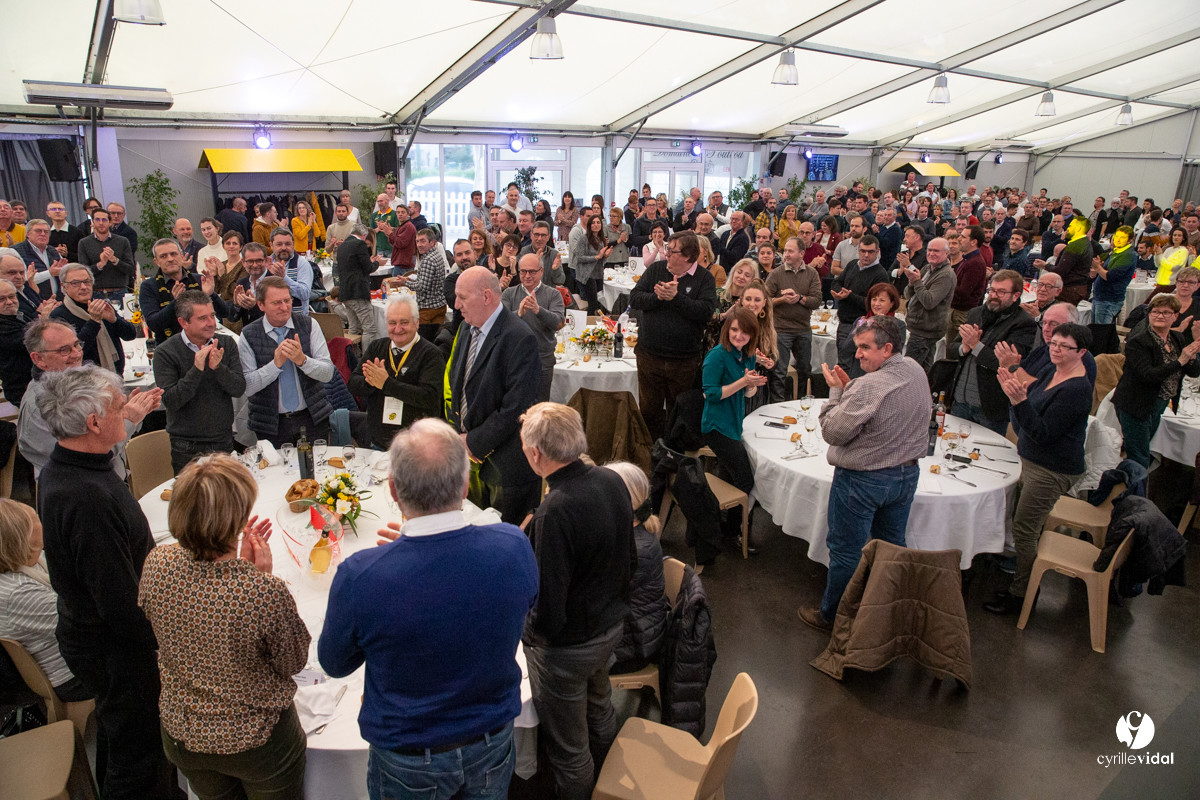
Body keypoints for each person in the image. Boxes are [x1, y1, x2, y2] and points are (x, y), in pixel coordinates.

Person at [319, 418, 538, 800]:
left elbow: (334, 664)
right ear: (465, 486)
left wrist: (397, 563)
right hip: (491, 739)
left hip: (409, 755)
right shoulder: (512, 546)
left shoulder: (361, 575)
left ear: (393, 490)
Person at [37, 365, 174, 798]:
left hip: (98, 638)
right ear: (94, 423)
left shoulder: (71, 466)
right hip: (115, 650)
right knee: (139, 756)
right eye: (119, 406)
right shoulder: (85, 496)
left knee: (120, 737)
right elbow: (118, 603)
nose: (127, 410)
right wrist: (170, 639)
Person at [139, 456, 309, 799]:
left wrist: (241, 572)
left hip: (184, 735)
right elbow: (292, 662)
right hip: (256, 743)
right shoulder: (260, 591)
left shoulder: (158, 563)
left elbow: (175, 624)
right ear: (235, 520)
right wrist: (256, 578)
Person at [520, 402, 633, 800]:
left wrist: (525, 634)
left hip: (570, 650)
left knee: (569, 752)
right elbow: (629, 559)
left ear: (537, 454)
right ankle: (608, 777)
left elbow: (549, 610)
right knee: (599, 707)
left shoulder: (555, 510)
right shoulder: (611, 479)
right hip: (610, 626)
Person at [796, 316, 930, 632]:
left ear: (887, 348)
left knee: (846, 553)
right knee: (890, 548)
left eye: (865, 348)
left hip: (863, 482)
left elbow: (832, 432)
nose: (857, 355)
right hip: (906, 477)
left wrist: (836, 393)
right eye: (857, 347)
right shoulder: (915, 370)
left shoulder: (868, 386)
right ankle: (884, 613)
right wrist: (851, 390)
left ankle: (832, 618)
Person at [983, 323, 1096, 616]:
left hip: (1051, 469)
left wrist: (1018, 401)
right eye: (1053, 344)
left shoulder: (1077, 389)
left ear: (1081, 352)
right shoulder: (1052, 371)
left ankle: (1022, 595)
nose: (1055, 350)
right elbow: (1027, 415)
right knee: (1016, 520)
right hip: (1033, 458)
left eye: (1064, 346)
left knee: (1025, 530)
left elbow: (1042, 432)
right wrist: (1018, 400)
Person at [447, 267, 542, 524]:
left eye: (462, 297)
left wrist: (473, 442)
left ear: (486, 296)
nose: (456, 305)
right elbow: (458, 384)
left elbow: (517, 408)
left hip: (506, 469)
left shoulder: (520, 337)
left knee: (503, 538)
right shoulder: (466, 328)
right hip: (471, 459)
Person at [0, 499, 92, 702]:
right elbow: (82, 624)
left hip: (75, 651)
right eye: (35, 523)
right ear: (17, 542)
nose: (43, 524)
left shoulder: (23, 562)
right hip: (72, 673)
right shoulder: (17, 593)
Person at [628, 231, 717, 439]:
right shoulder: (656, 269)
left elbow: (705, 313)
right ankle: (650, 452)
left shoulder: (705, 279)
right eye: (667, 248)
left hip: (683, 362)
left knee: (679, 413)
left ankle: (673, 454)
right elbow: (635, 298)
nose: (666, 253)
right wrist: (658, 297)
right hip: (649, 356)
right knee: (649, 412)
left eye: (671, 250)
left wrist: (676, 298)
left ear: (688, 256)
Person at [152, 290, 246, 473]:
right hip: (186, 446)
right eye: (202, 318)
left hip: (222, 440)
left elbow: (238, 388)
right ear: (183, 323)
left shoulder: (226, 344)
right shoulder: (165, 352)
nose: (211, 323)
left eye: (212, 315)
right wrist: (196, 369)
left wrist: (218, 368)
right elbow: (171, 400)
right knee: (191, 493)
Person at [701, 307, 768, 563]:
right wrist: (743, 382)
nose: (739, 335)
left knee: (731, 477)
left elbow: (747, 394)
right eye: (734, 330)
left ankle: (726, 528)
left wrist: (751, 385)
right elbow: (711, 394)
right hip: (717, 427)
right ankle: (734, 531)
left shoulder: (747, 355)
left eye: (745, 332)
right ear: (727, 330)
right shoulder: (717, 356)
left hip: (734, 423)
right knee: (746, 480)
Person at [237, 276, 335, 446]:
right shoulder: (248, 335)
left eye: (287, 300)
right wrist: (274, 365)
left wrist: (303, 361)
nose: (284, 307)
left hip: (311, 418)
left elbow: (327, 373)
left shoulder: (309, 325)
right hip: (270, 424)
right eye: (276, 303)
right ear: (261, 305)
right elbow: (248, 386)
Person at [1112, 294, 1200, 468]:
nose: (1160, 316)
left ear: (1175, 316)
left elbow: (1193, 372)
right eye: (1155, 312)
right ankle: (1133, 484)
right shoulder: (1139, 342)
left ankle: (1130, 480)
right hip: (1135, 405)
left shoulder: (1177, 339)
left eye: (1166, 312)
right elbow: (1148, 375)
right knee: (1140, 456)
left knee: (1142, 450)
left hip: (1159, 404)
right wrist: (1180, 361)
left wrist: (1192, 355)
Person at [348, 294, 445, 450]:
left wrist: (386, 384)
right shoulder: (377, 348)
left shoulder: (431, 354)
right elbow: (353, 384)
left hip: (417, 444)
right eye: (392, 323)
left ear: (417, 323)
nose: (398, 329)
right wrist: (372, 381)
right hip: (378, 441)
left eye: (404, 322)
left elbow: (429, 397)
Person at [949, 270, 1038, 436]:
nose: (994, 296)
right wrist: (964, 348)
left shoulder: (1023, 324)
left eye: (1001, 292)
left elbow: (1005, 364)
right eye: (992, 290)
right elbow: (952, 348)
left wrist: (975, 345)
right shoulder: (976, 313)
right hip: (960, 399)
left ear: (1016, 295)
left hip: (989, 406)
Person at [603, 461, 669, 675]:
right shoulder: (632, 532)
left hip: (632, 648)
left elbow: (594, 595)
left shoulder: (636, 549)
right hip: (633, 633)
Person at [51, 263, 137, 375]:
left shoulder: (101, 305)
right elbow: (75, 351)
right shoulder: (58, 316)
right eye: (75, 283)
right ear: (64, 286)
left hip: (115, 375)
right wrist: (94, 321)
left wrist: (115, 320)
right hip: (83, 378)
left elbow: (130, 335)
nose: (83, 287)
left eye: (87, 281)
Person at [138, 238, 229, 342]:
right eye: (163, 256)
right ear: (156, 262)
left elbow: (224, 313)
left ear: (181, 256)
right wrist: (176, 303)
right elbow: (154, 324)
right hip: (169, 347)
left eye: (173, 254)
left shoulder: (199, 280)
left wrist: (211, 294)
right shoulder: (149, 286)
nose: (170, 259)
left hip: (203, 343)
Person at [766, 236, 823, 402]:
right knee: (779, 371)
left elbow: (817, 301)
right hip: (781, 329)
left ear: (802, 253)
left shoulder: (812, 274)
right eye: (785, 251)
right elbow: (764, 301)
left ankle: (801, 402)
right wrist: (781, 300)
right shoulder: (776, 274)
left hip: (803, 329)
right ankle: (777, 404)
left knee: (804, 369)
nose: (786, 254)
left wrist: (799, 298)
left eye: (790, 251)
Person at [502, 253, 565, 402]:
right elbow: (500, 324)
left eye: (532, 272)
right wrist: (518, 314)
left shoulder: (553, 294)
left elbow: (558, 323)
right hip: (514, 360)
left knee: (541, 406)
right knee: (515, 404)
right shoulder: (509, 294)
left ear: (541, 271)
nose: (527, 276)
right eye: (523, 271)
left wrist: (538, 310)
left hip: (543, 360)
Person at [830, 234, 890, 367]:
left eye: (870, 252)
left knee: (858, 366)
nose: (866, 255)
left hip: (864, 326)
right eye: (863, 251)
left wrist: (849, 296)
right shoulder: (852, 264)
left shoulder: (881, 274)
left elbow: (875, 305)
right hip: (844, 322)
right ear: (858, 250)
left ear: (877, 252)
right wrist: (839, 292)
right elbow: (837, 282)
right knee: (843, 363)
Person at [899, 236, 956, 371]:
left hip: (925, 332)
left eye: (936, 251)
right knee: (924, 370)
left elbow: (929, 302)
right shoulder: (927, 268)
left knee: (909, 371)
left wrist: (917, 282)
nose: (931, 254)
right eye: (929, 250)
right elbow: (908, 295)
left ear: (946, 253)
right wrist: (912, 283)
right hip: (920, 328)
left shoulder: (946, 275)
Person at [838, 283, 907, 379]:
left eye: (882, 300)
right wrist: (859, 330)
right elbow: (846, 349)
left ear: (892, 303)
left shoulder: (898, 325)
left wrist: (884, 326)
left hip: (884, 376)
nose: (876, 304)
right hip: (859, 374)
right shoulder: (861, 321)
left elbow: (895, 353)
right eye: (874, 299)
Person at [391, 227, 449, 339]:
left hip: (428, 309)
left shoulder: (427, 260)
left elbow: (422, 286)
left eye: (423, 241)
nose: (419, 245)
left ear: (432, 243)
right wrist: (407, 280)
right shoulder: (436, 255)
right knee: (434, 340)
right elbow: (427, 280)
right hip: (439, 305)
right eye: (417, 241)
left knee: (424, 342)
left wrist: (404, 284)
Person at [738, 279, 778, 416]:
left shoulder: (767, 327)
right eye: (748, 299)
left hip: (760, 386)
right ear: (741, 300)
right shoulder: (733, 324)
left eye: (757, 300)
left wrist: (769, 362)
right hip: (737, 385)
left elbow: (773, 358)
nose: (752, 304)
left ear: (764, 303)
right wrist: (752, 358)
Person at [77, 208, 136, 300]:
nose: (101, 223)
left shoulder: (123, 241)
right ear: (92, 223)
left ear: (110, 223)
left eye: (104, 220)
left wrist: (114, 260)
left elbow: (131, 270)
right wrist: (101, 264)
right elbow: (83, 272)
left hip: (119, 292)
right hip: (95, 293)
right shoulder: (84, 243)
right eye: (97, 219)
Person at [335, 222, 379, 343]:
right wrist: (377, 263)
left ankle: (352, 353)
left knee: (353, 328)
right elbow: (368, 268)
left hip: (345, 292)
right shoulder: (359, 244)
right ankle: (367, 354)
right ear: (364, 235)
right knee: (369, 329)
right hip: (357, 292)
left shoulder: (342, 246)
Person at [0, 278, 39, 405]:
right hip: (22, 390)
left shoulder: (19, 315)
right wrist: (43, 320)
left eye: (12, 296)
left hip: (37, 383)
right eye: (1, 299)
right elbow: (33, 342)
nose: (9, 302)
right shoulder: (3, 325)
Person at [1091, 226, 1137, 325]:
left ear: (1130, 240)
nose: (1118, 240)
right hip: (1100, 297)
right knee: (1096, 329)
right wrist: (1098, 268)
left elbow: (1110, 276)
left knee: (1102, 330)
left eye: (1123, 237)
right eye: (1117, 236)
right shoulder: (1116, 252)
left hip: (1109, 299)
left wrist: (1098, 267)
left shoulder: (1128, 255)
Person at [267, 227, 315, 312]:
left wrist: (284, 278)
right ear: (271, 245)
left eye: (288, 244)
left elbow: (305, 294)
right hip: (270, 315)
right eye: (279, 244)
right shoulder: (266, 263)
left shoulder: (302, 263)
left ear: (293, 244)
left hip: (296, 317)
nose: (284, 248)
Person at [575, 213, 612, 313]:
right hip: (587, 275)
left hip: (598, 274)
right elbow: (579, 257)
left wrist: (605, 256)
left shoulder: (602, 239)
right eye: (593, 223)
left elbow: (601, 260)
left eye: (598, 222)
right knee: (593, 304)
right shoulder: (583, 238)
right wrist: (597, 256)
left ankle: (597, 320)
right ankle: (589, 321)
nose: (596, 225)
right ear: (589, 225)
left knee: (600, 303)